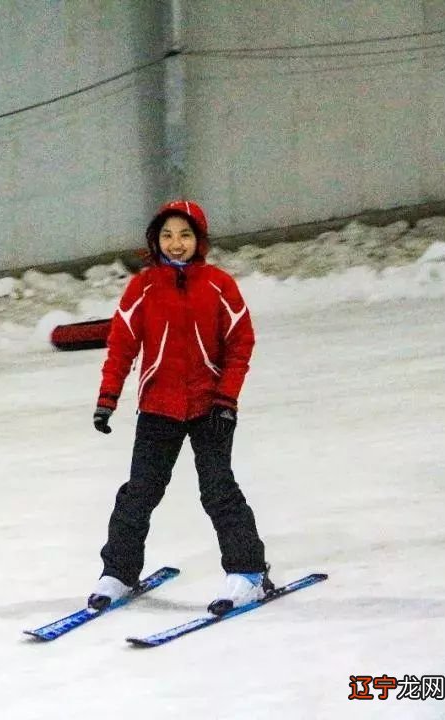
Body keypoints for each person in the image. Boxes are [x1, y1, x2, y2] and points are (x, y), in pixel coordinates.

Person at [89, 200, 273, 616]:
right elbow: (121, 346)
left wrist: (226, 398)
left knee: (218, 490)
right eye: (168, 235)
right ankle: (118, 572)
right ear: (156, 240)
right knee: (139, 492)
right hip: (159, 407)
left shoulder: (219, 285)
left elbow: (240, 344)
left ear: (199, 240)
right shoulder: (142, 288)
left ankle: (248, 574)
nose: (176, 244)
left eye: (185, 235)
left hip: (212, 407)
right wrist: (107, 399)